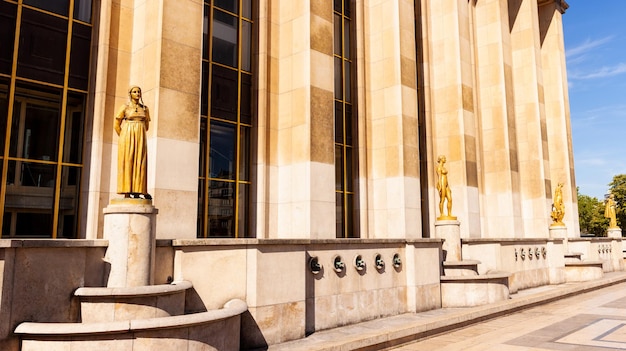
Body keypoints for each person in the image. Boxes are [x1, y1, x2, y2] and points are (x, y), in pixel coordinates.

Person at [114, 86, 151, 199]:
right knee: (128, 161)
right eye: (134, 92)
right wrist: (124, 137)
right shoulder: (125, 107)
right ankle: (126, 191)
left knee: (140, 161)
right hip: (127, 135)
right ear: (130, 94)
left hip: (140, 136)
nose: (137, 93)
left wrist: (139, 132)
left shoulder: (145, 108)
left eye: (139, 91)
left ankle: (138, 191)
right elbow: (117, 124)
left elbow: (147, 126)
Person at [436, 155, 453, 219]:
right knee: (442, 199)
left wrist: (448, 186)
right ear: (440, 159)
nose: (445, 159)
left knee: (450, 199)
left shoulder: (444, 168)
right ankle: (441, 213)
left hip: (446, 184)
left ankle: (449, 213)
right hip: (442, 183)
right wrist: (440, 186)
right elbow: (439, 177)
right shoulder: (439, 168)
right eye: (444, 158)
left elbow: (446, 177)